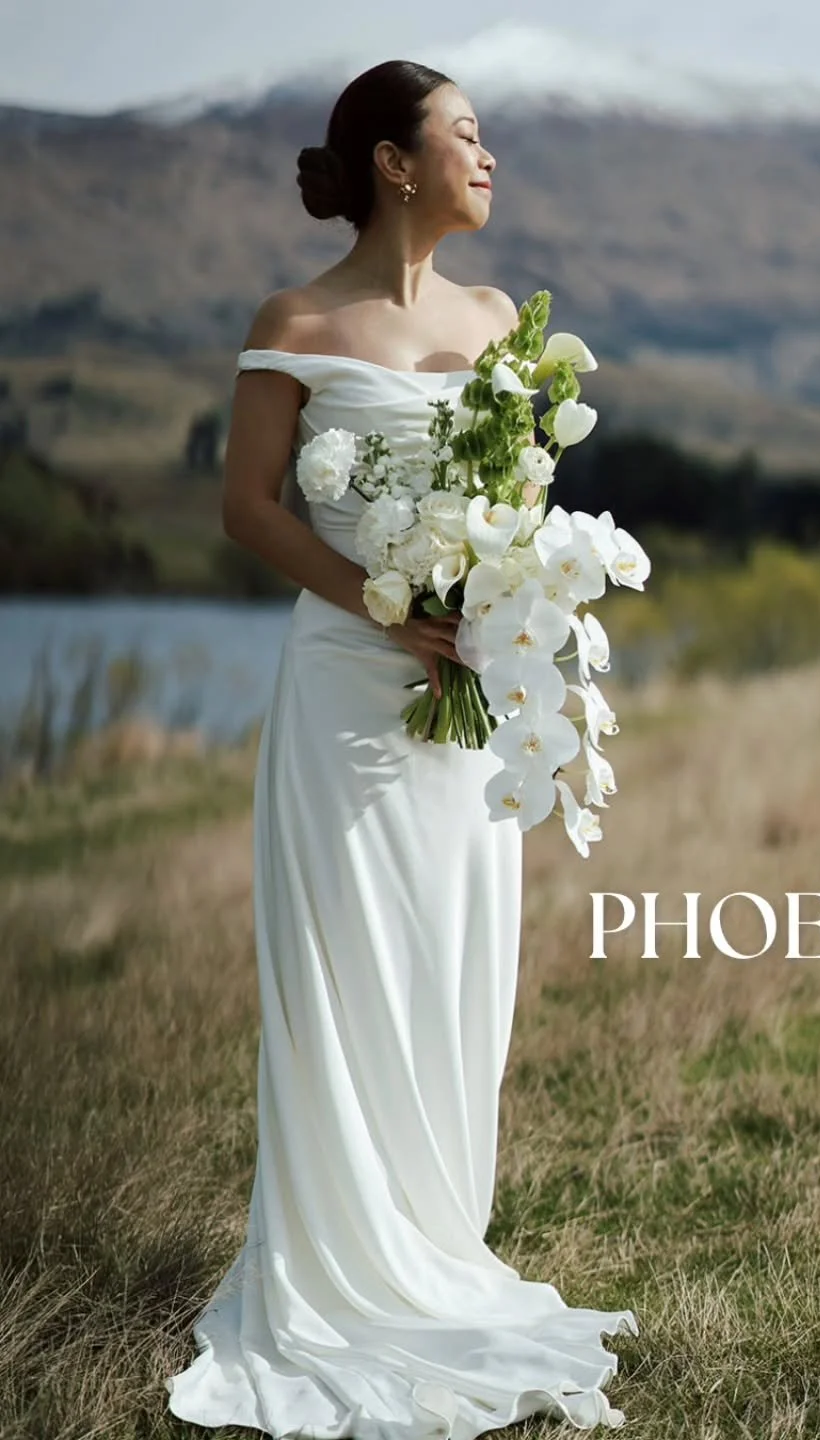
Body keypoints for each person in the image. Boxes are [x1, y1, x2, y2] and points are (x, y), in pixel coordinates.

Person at [164, 59, 638, 1440]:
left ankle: (438, 1244)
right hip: (346, 699)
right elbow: (249, 509)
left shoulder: (502, 322)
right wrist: (385, 601)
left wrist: (503, 600)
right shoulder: (297, 320)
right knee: (348, 976)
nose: (491, 158)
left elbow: (525, 507)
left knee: (456, 973)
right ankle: (341, 1275)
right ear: (391, 160)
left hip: (468, 712)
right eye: (467, 137)